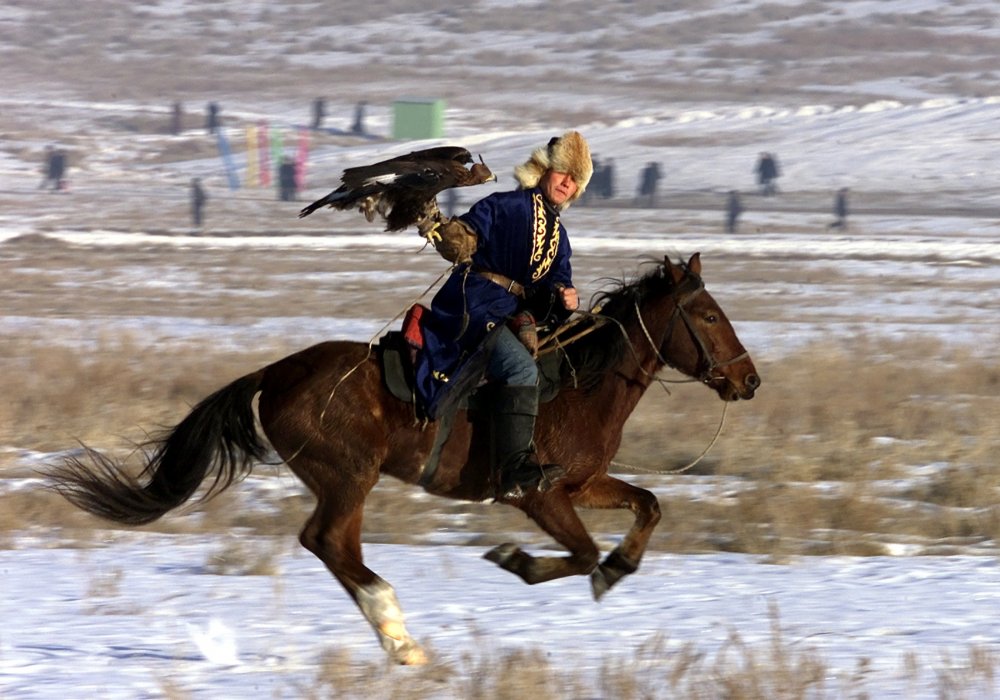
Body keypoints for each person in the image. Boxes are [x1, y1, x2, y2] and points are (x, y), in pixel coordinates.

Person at [413, 131, 593, 499]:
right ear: (544, 168)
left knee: (551, 365)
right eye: (562, 172)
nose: (567, 183)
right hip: (476, 303)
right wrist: (448, 233)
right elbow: (465, 238)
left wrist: (565, 296)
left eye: (575, 180)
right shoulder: (506, 205)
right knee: (521, 369)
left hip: (511, 313)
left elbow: (558, 281)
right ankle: (513, 469)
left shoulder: (561, 237)